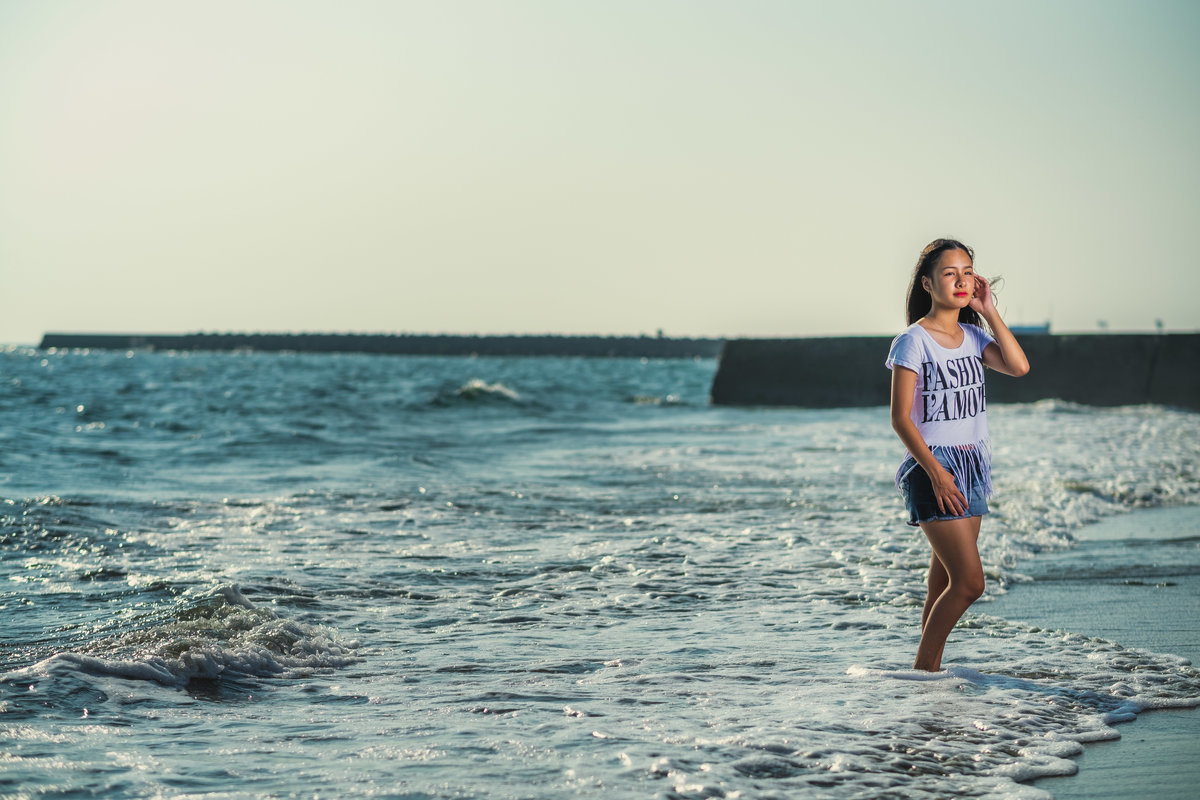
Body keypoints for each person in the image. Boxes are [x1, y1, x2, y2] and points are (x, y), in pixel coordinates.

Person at [885, 238, 1029, 672]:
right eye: (950, 273)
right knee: (969, 583)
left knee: (944, 582)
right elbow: (901, 420)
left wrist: (988, 310)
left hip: (973, 463)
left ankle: (924, 683)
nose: (962, 280)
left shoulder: (973, 335)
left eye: (968, 271)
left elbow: (1019, 367)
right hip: (935, 466)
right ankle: (924, 670)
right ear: (928, 284)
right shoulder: (913, 341)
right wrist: (937, 474)